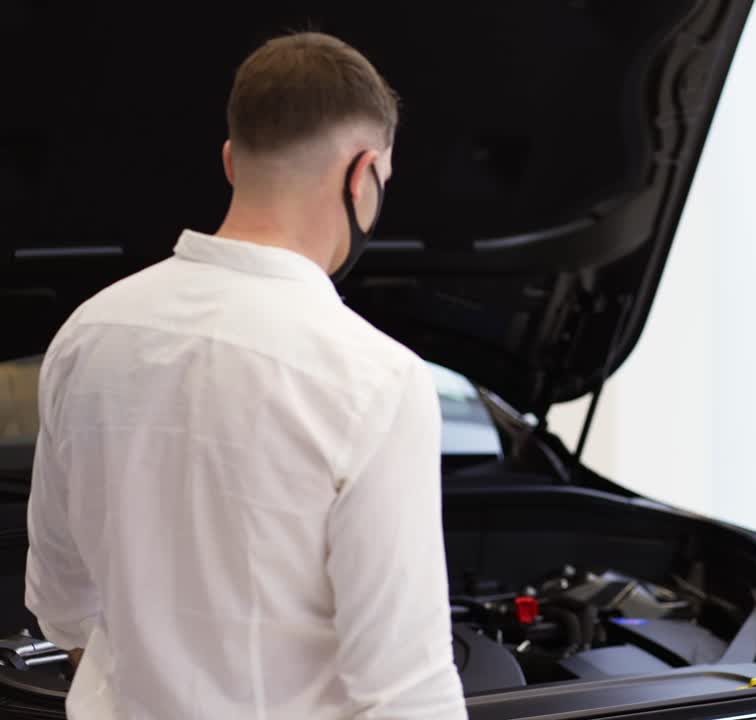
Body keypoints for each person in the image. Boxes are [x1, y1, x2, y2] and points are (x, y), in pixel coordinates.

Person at [25, 32, 467, 719]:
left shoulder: (87, 334)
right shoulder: (376, 380)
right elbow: (407, 691)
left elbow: (61, 601)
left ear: (232, 162)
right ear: (363, 177)